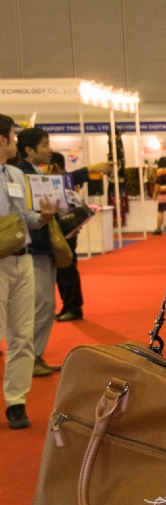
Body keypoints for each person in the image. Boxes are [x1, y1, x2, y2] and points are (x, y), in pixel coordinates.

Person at [0, 115, 50, 429]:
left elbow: (26, 216)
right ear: (1, 140)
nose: (16, 142)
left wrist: (42, 218)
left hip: (24, 259)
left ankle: (16, 402)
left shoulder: (16, 174)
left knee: (22, 334)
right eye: (13, 135)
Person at [16, 128, 69, 375]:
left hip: (42, 246)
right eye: (45, 145)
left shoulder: (35, 173)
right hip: (31, 248)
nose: (50, 150)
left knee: (44, 305)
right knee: (41, 305)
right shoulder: (19, 175)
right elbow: (24, 215)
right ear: (29, 149)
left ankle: (33, 356)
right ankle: (30, 358)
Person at [47, 152, 83, 321]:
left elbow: (75, 207)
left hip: (66, 231)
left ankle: (73, 307)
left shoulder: (65, 183)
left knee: (67, 270)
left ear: (55, 166)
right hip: (62, 230)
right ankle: (68, 305)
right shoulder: (60, 182)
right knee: (62, 271)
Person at [151, 156, 166, 235]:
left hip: (162, 192)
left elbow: (158, 184)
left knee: (160, 211)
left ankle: (158, 229)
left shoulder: (159, 171)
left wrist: (155, 193)